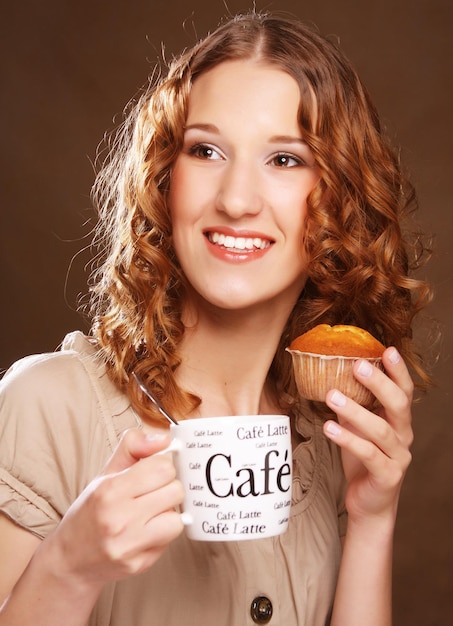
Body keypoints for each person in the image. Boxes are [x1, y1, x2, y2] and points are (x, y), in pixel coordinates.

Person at [0, 11, 432, 626]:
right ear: (165, 177)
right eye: (206, 150)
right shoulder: (45, 409)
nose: (234, 199)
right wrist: (69, 568)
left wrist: (372, 517)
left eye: (284, 160)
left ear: (339, 195)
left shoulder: (328, 443)